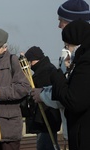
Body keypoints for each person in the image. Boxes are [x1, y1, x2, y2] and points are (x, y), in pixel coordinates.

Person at [32, 19, 90, 150]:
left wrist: (57, 76)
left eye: (67, 45)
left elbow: (72, 99)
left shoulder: (85, 62)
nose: (67, 50)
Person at [24, 46, 61, 150]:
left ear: (34, 60)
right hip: (48, 118)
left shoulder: (44, 72)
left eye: (30, 62)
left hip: (45, 119)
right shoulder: (48, 68)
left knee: (45, 145)